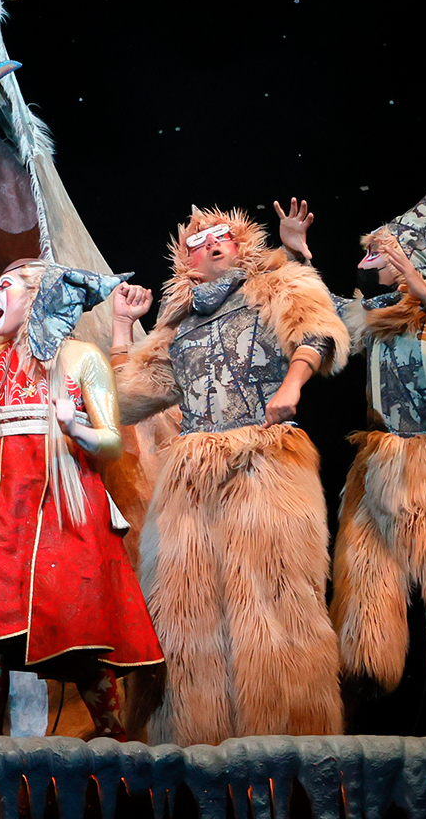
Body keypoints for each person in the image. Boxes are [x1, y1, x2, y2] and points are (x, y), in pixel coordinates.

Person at [277, 191, 426, 736]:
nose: (370, 264)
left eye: (381, 255)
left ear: (408, 258)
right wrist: (297, 255)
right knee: (365, 596)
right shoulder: (374, 316)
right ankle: (348, 709)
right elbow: (322, 314)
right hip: (380, 472)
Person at [113, 205, 349, 746]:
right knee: (186, 609)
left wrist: (291, 384)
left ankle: (288, 737)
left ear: (241, 245)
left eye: (224, 236)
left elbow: (317, 331)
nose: (213, 243)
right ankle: (193, 739)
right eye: (200, 241)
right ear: (185, 259)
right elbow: (130, 397)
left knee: (273, 599)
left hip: (263, 461)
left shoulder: (274, 284)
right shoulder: (177, 324)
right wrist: (119, 330)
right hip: (192, 476)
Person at [0, 259, 163, 738]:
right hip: (5, 515)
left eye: (5, 287)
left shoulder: (81, 358)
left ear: (37, 295)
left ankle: (112, 739)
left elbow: (112, 443)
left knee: (80, 625)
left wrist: (74, 427)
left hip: (68, 508)